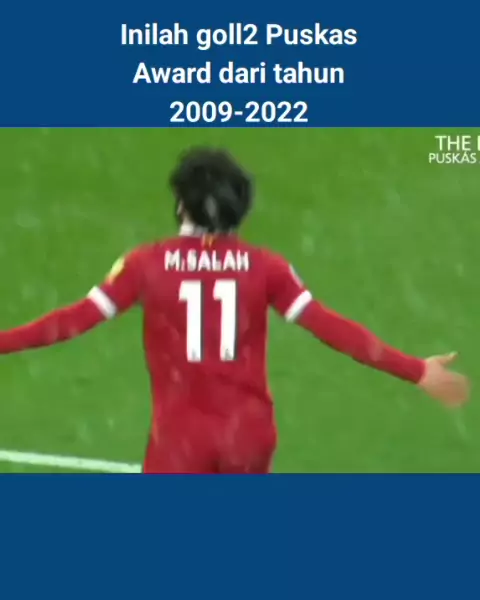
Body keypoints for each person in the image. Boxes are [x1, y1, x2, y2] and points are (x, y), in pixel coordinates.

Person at [0, 148, 470, 473]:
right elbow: (331, 327)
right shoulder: (267, 267)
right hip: (249, 436)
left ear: (181, 204)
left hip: (180, 441)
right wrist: (415, 370)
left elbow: (70, 323)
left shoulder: (146, 264)